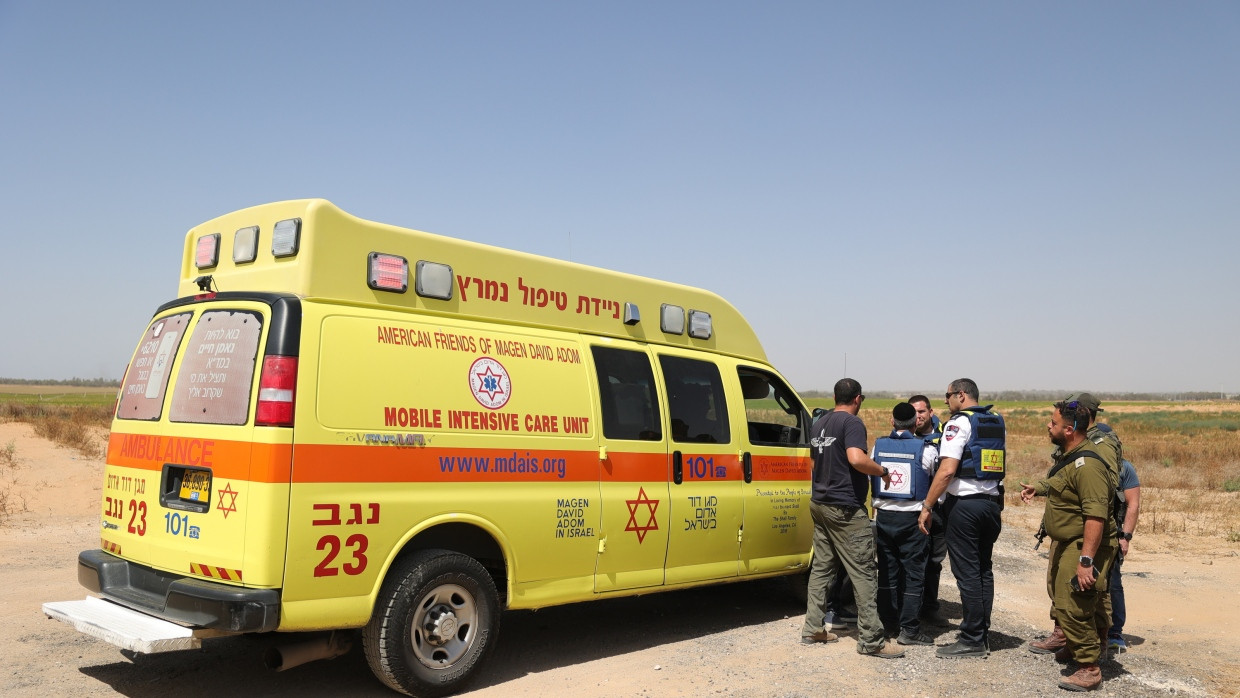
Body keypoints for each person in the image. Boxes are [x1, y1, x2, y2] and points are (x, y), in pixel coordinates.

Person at [800, 378, 905, 659]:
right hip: (845, 508)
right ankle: (872, 640)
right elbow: (857, 459)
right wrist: (881, 471)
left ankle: (813, 628)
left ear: (835, 396)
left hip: (820, 503)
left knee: (822, 568)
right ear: (858, 399)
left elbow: (812, 463)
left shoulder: (819, 423)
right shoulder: (852, 423)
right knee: (864, 571)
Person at [1020, 399, 1119, 691]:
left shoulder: (1088, 465)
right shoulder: (1071, 456)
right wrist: (1037, 488)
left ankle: (1090, 668)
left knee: (1073, 604)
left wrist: (1086, 560)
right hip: (1068, 541)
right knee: (1062, 597)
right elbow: (1062, 482)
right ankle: (1078, 649)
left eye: (1053, 423)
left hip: (1084, 544)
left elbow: (1096, 517)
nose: (1048, 426)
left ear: (1069, 429)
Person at [917, 379, 1005, 658]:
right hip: (990, 504)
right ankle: (981, 631)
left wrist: (928, 505)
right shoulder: (994, 420)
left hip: (965, 507)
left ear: (961, 395)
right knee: (982, 570)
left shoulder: (958, 423)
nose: (945, 401)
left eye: (948, 396)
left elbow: (946, 471)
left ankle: (972, 639)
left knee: (967, 573)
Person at [870, 402, 937, 645]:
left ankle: (888, 626)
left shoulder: (878, 444)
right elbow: (934, 477)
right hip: (913, 520)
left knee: (887, 572)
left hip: (885, 517)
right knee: (914, 574)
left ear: (892, 421)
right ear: (914, 422)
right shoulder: (925, 448)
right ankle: (909, 630)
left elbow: (871, 469)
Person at [910, 394, 947, 620]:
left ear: (931, 412)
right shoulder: (906, 434)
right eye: (913, 412)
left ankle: (930, 608)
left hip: (940, 508)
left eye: (922, 412)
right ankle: (910, 607)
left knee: (934, 560)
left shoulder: (946, 435)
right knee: (913, 559)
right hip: (913, 508)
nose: (918, 416)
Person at [1108, 458, 1140, 652]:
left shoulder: (1124, 467)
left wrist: (1125, 537)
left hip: (1113, 534)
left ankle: (1114, 632)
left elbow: (1133, 503)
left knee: (1113, 582)